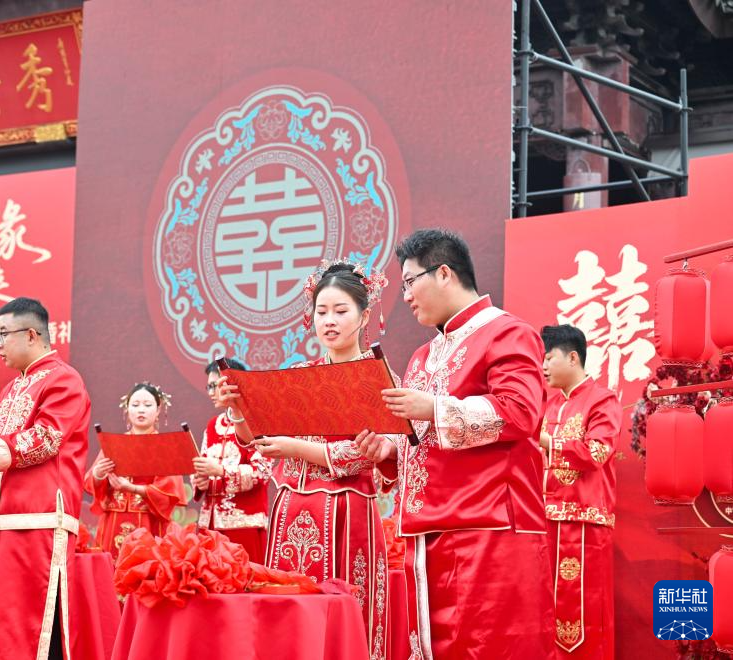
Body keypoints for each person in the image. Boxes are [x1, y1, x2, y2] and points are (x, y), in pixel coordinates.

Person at [358, 228, 555, 658]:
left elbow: (521, 411)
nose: (406, 296)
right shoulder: (421, 357)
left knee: (492, 648)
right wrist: (390, 451)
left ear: (444, 273)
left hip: (489, 529)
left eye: (410, 282)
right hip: (428, 537)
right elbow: (422, 438)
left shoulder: (507, 332)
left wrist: (433, 408)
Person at [218, 260, 396, 660]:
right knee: (289, 616)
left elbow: (367, 453)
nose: (329, 321)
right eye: (321, 312)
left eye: (340, 310)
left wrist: (295, 449)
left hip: (347, 513)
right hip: (291, 510)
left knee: (345, 620)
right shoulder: (298, 374)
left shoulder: (378, 378)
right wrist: (240, 410)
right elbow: (259, 437)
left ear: (365, 315)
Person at [0, 297, 91, 660]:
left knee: (29, 627)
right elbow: (6, 453)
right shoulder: (10, 389)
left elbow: (46, 439)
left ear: (31, 335)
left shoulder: (64, 379)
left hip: (38, 521)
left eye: (3, 334)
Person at [540, 324, 621, 658]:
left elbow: (597, 452)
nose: (543, 366)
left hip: (584, 524)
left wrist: (547, 442)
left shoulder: (602, 400)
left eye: (549, 358)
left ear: (573, 357)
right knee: (546, 608)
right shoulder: (548, 406)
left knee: (585, 611)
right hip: (545, 523)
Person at [85, 382, 186, 556]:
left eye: (147, 405)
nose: (141, 410)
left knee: (145, 566)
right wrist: (98, 474)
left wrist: (133, 488)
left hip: (149, 522)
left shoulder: (164, 447)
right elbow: (90, 482)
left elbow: (168, 492)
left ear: (158, 410)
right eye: (135, 405)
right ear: (127, 409)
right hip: (112, 521)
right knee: (110, 567)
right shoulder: (114, 445)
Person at [191, 358, 271, 563]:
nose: (210, 392)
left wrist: (220, 471)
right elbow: (204, 465)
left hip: (244, 524)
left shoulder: (257, 422)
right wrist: (200, 481)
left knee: (246, 580)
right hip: (210, 525)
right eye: (208, 386)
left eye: (214, 386)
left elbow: (262, 472)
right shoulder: (213, 425)